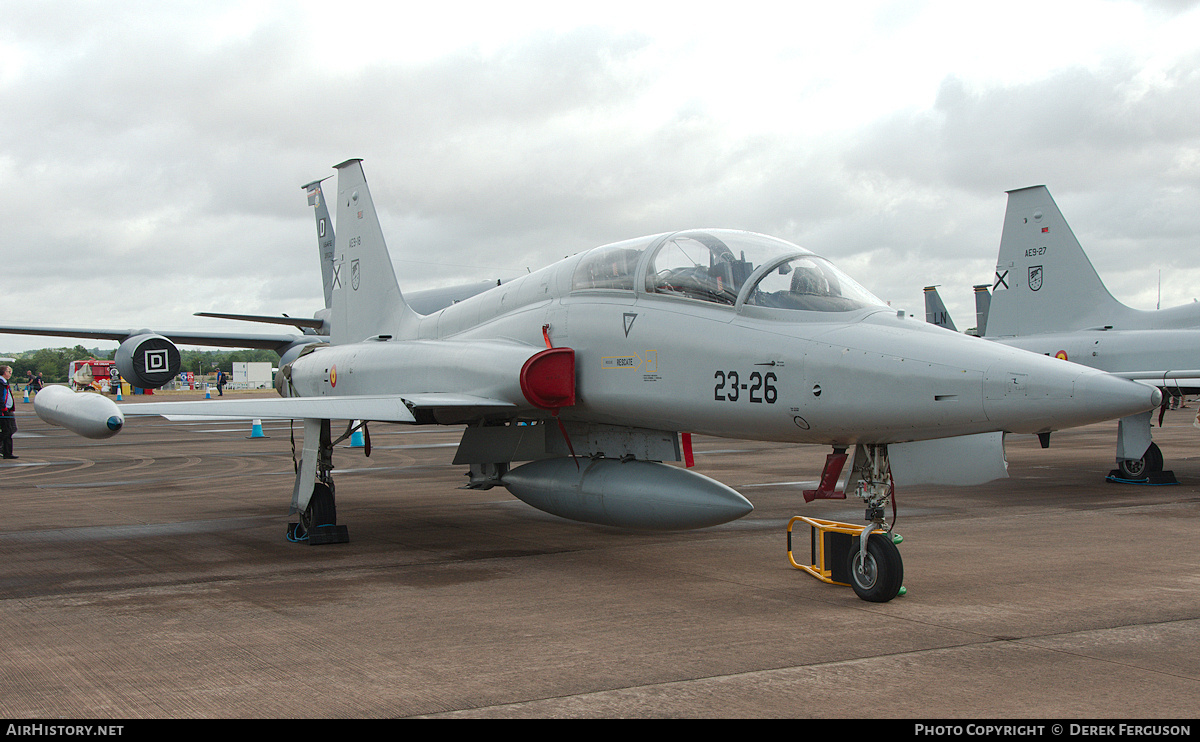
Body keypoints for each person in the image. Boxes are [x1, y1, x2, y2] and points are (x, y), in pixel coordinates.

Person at [0, 366, 16, 459]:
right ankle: (6, 452)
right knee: (7, 431)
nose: (10, 373)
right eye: (9, 371)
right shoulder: (1, 383)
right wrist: (4, 408)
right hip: (3, 411)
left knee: (9, 431)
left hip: (8, 410)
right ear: (4, 372)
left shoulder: (5, 382)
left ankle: (7, 453)